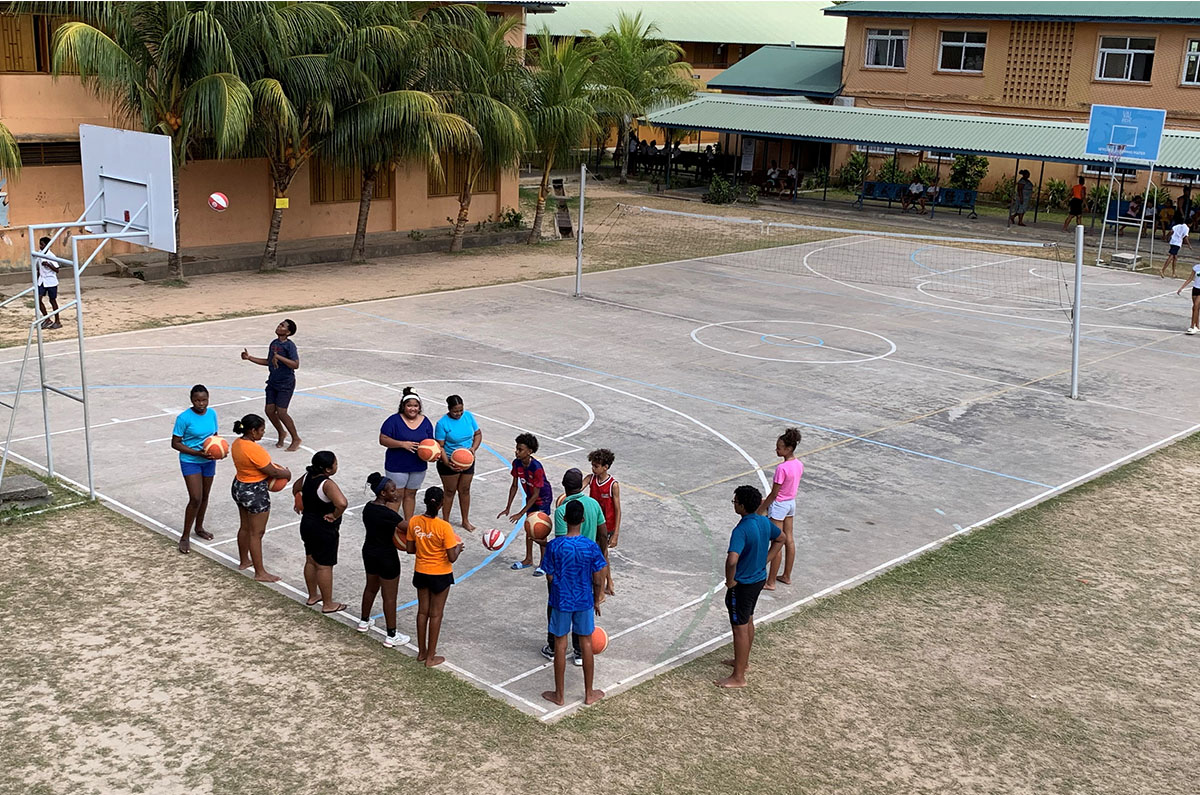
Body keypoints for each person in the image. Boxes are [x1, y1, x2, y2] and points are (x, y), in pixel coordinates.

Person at [540, 499, 608, 708]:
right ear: (584, 519)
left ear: (565, 518)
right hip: (584, 599)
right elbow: (598, 576)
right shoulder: (590, 546)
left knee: (560, 644)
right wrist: (596, 599)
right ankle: (589, 693)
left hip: (561, 599)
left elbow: (549, 575)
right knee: (586, 643)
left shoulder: (555, 546)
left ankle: (559, 695)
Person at [717, 485, 782, 689]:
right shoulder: (763, 521)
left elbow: (732, 560)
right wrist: (765, 560)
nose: (734, 504)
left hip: (742, 584)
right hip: (758, 579)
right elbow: (782, 539)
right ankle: (742, 663)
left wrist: (730, 580)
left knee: (739, 628)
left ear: (742, 506)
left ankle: (738, 676)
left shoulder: (741, 529)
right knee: (749, 620)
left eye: (735, 502)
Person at [544, 468, 606, 662]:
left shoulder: (563, 510)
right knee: (584, 605)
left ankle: (554, 646)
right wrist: (601, 554)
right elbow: (603, 532)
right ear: (581, 485)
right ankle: (579, 651)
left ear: (564, 486)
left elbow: (562, 544)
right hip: (587, 564)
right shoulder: (594, 504)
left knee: (555, 606)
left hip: (566, 569)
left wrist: (542, 543)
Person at [405, 486, 462, 667]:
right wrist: (458, 548)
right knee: (436, 615)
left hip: (421, 571)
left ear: (424, 502)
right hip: (440, 573)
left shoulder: (414, 521)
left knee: (423, 612)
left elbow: (409, 549)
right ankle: (431, 657)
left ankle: (421, 652)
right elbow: (451, 557)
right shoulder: (444, 527)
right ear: (441, 504)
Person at [229, 413, 291, 582]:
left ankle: (244, 561)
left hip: (238, 486)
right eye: (262, 430)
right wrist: (287, 473)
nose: (263, 433)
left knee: (245, 527)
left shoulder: (237, 443)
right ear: (253, 430)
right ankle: (260, 572)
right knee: (257, 533)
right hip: (254, 491)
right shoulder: (254, 449)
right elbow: (272, 471)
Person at [292, 450, 348, 614]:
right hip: (323, 527)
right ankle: (328, 604)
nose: (337, 466)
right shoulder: (327, 484)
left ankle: (312, 596)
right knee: (324, 566)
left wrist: (300, 501)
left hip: (307, 523)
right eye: (335, 464)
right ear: (328, 469)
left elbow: (295, 489)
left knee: (310, 560)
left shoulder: (306, 476)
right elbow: (342, 503)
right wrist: (335, 515)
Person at [360, 473, 411, 648]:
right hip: (387, 556)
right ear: (383, 493)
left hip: (369, 552)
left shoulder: (367, 508)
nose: (396, 493)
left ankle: (364, 621)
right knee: (390, 597)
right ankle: (391, 635)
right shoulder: (389, 514)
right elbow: (408, 528)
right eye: (392, 491)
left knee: (370, 588)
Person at [171, 384, 219, 554]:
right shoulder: (184, 418)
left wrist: (219, 451)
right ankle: (185, 536)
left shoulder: (212, 413)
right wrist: (197, 452)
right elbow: (175, 443)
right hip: (190, 460)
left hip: (208, 461)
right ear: (191, 400)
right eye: (197, 400)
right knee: (195, 497)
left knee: (205, 495)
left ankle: (199, 527)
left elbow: (214, 437)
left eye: (204, 400)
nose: (201, 403)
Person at [240, 319, 301, 451]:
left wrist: (279, 358)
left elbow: (295, 364)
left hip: (286, 383)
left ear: (288, 332)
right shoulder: (273, 344)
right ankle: (281, 432)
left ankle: (296, 438)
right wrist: (250, 358)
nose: (279, 326)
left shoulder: (290, 346)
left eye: (283, 326)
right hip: (273, 381)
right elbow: (268, 361)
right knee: (269, 410)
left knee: (282, 412)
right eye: (279, 324)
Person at [499, 432, 553, 573]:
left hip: (543, 499)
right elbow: (514, 486)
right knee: (529, 528)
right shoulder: (517, 463)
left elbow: (536, 495)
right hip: (532, 498)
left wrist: (520, 513)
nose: (517, 452)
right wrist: (508, 507)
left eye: (520, 449)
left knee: (540, 529)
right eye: (516, 448)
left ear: (529, 451)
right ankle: (528, 559)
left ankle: (543, 563)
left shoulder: (536, 468)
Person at [378, 386, 434, 521]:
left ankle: (408, 524)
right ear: (403, 406)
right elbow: (383, 439)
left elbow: (431, 442)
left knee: (411, 495)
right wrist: (403, 444)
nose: (413, 408)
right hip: (397, 465)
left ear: (419, 407)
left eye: (415, 406)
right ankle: (392, 527)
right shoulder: (393, 420)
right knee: (396, 496)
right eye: (409, 405)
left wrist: (432, 454)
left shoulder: (425, 421)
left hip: (418, 466)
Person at [760, 428, 803, 590]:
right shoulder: (798, 464)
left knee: (777, 542)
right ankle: (786, 575)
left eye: (779, 448)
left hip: (779, 506)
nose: (777, 450)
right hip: (791, 503)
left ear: (788, 449)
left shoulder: (782, 468)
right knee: (789, 539)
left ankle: (770, 581)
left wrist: (762, 508)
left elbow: (775, 494)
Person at [434, 394, 482, 532]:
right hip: (449, 461)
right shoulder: (442, 423)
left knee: (465, 490)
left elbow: (478, 434)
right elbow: (440, 446)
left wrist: (473, 449)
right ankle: (446, 522)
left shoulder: (468, 416)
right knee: (449, 492)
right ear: (449, 409)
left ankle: (465, 520)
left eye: (461, 410)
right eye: (455, 411)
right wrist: (447, 462)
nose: (459, 413)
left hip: (467, 460)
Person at [585, 448, 622, 598]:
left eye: (596, 466)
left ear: (605, 467)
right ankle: (609, 582)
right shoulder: (590, 479)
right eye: (592, 465)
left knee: (602, 555)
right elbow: (576, 489)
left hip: (607, 526)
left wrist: (616, 534)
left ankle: (602, 590)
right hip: (594, 524)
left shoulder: (613, 485)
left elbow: (618, 510)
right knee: (603, 555)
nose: (593, 469)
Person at [35, 236, 61, 330]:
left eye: (42, 244)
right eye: (40, 244)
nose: (40, 246)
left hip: (51, 281)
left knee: (52, 300)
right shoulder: (39, 254)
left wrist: (48, 264)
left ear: (47, 245)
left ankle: (57, 321)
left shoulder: (51, 256)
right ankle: (47, 319)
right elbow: (38, 268)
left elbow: (57, 270)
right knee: (38, 299)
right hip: (42, 280)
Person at [1175, 260, 1200, 335]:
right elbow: (1190, 278)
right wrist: (1181, 288)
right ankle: (1197, 326)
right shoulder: (1196, 267)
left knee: (1195, 306)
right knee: (1196, 308)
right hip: (1195, 289)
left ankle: (1192, 326)